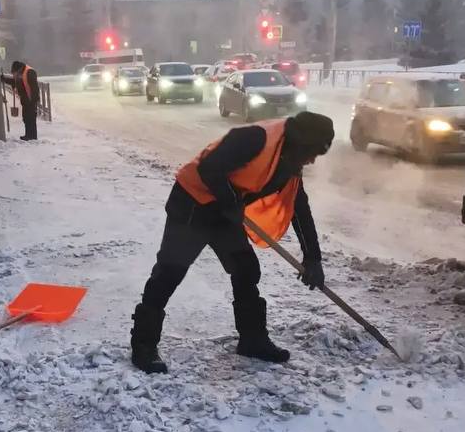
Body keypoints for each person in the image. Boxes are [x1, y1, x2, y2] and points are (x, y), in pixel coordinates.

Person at [130, 111, 335, 373]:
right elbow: (208, 167)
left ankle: (253, 339)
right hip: (192, 208)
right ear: (302, 142)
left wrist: (312, 258)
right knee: (169, 272)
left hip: (225, 215)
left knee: (246, 270)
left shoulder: (289, 162)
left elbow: (298, 207)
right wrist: (230, 202)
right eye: (314, 152)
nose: (313, 160)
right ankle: (143, 345)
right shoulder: (254, 138)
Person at [2, 59, 39, 140]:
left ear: (18, 69)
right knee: (26, 118)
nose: (14, 74)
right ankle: (28, 135)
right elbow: (14, 82)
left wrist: (34, 101)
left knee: (31, 119)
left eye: (14, 72)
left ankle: (32, 137)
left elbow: (35, 89)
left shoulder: (29, 72)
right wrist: (4, 79)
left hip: (31, 101)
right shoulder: (21, 73)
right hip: (25, 101)